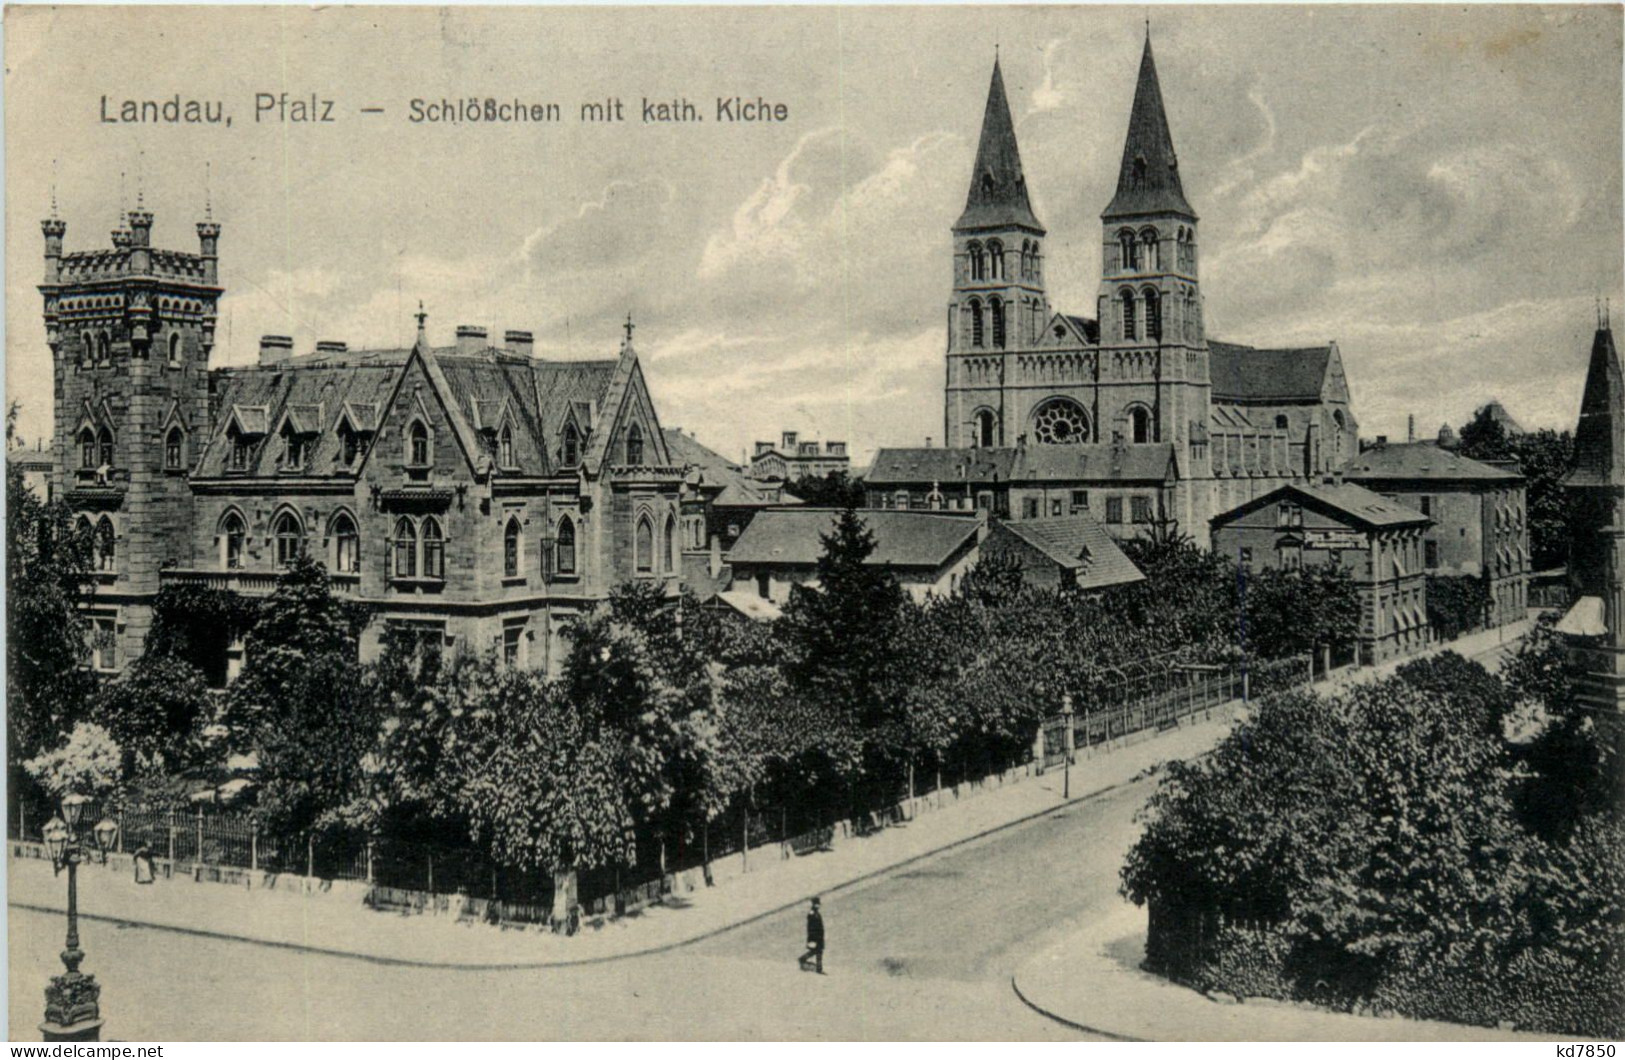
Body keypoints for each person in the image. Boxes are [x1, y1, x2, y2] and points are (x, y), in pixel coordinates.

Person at [798, 896, 825, 973]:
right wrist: (812, 937)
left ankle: (819, 969)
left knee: (818, 951)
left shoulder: (816, 913)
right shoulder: (812, 913)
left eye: (818, 904)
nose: (818, 906)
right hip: (814, 936)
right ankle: (818, 968)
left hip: (818, 936)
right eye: (816, 904)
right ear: (813, 904)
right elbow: (811, 926)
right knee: (816, 951)